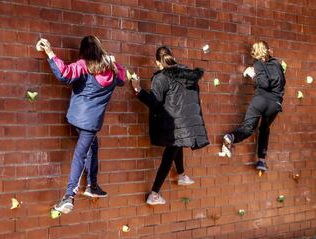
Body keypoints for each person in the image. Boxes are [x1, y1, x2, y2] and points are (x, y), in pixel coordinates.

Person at [37, 36, 126, 214]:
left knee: (92, 146)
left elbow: (64, 74)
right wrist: (113, 62)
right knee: (81, 154)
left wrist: (50, 53)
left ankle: (92, 185)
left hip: (76, 118)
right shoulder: (113, 70)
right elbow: (123, 79)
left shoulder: (83, 65)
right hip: (91, 123)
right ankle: (69, 196)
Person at [130, 46, 209, 205]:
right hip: (188, 120)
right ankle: (181, 175)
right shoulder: (187, 74)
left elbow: (155, 103)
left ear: (157, 62)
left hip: (174, 122)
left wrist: (138, 89)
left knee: (168, 155)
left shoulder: (161, 77)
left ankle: (154, 193)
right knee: (176, 145)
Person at [220, 41, 285, 172]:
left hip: (260, 100)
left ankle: (230, 137)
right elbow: (282, 82)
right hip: (275, 104)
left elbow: (264, 83)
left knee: (248, 128)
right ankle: (261, 160)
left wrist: (252, 73)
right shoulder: (277, 63)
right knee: (264, 129)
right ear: (267, 50)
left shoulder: (258, 64)